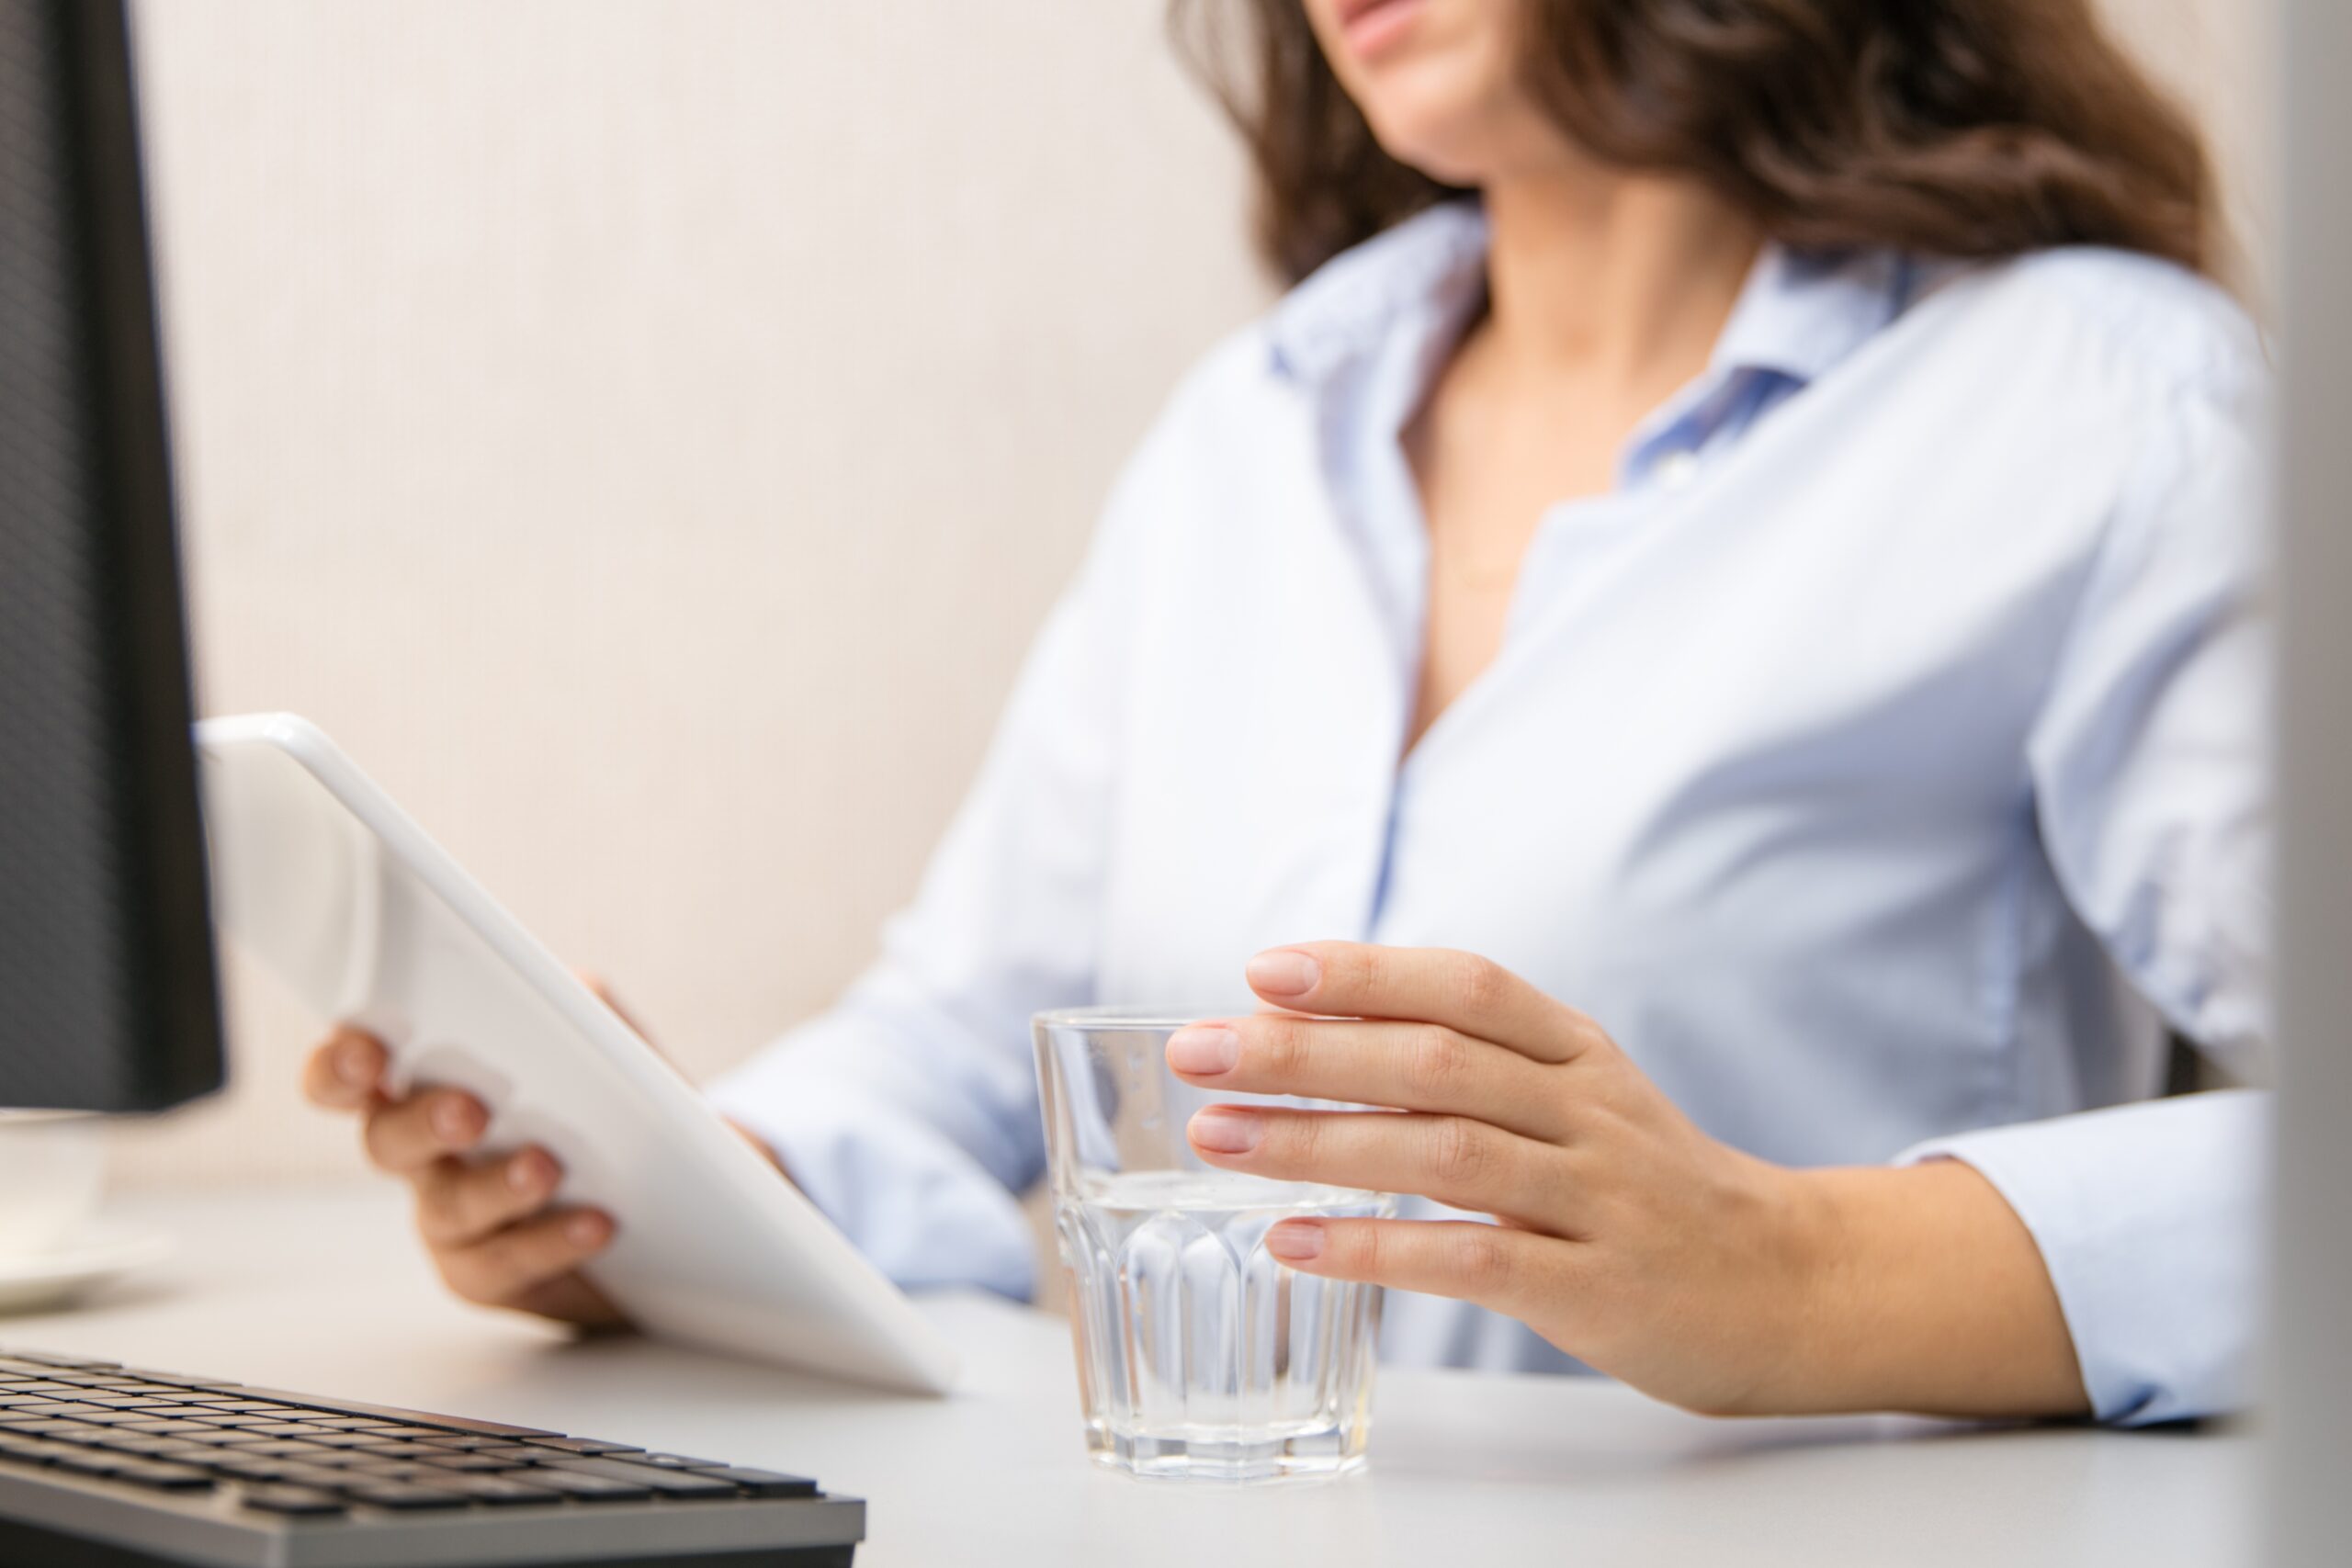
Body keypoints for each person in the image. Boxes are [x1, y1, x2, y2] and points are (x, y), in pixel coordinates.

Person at [303, 0, 2267, 1425]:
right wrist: (660, 1186)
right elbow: (962, 1036)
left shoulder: (2100, 409)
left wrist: (1797, 1270)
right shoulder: (1255, 429)